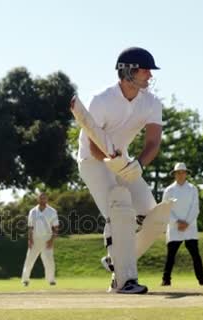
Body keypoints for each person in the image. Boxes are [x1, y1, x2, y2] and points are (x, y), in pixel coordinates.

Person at [72, 47, 165, 294]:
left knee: (153, 217)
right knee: (119, 211)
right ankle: (123, 281)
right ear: (128, 71)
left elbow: (154, 143)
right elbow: (92, 144)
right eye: (145, 70)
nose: (150, 76)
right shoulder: (101, 99)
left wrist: (139, 164)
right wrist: (108, 161)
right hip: (92, 162)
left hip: (124, 162)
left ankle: (115, 259)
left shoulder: (152, 103)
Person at [161, 162, 203, 286]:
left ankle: (202, 281)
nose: (181, 175)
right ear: (174, 174)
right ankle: (166, 280)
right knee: (171, 256)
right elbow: (165, 209)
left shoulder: (192, 189)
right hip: (174, 227)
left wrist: (187, 222)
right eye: (178, 173)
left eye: (183, 172)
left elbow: (195, 208)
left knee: (195, 255)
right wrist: (177, 222)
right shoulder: (169, 190)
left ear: (186, 174)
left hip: (190, 227)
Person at [21, 192, 59, 287]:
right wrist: (30, 240)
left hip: (47, 239)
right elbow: (30, 227)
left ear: (47, 199)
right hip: (35, 239)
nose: (43, 200)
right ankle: (25, 280)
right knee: (29, 260)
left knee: (49, 261)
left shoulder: (52, 211)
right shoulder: (33, 212)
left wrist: (51, 240)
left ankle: (51, 280)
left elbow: (56, 228)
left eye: (44, 198)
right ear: (38, 199)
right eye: (41, 198)